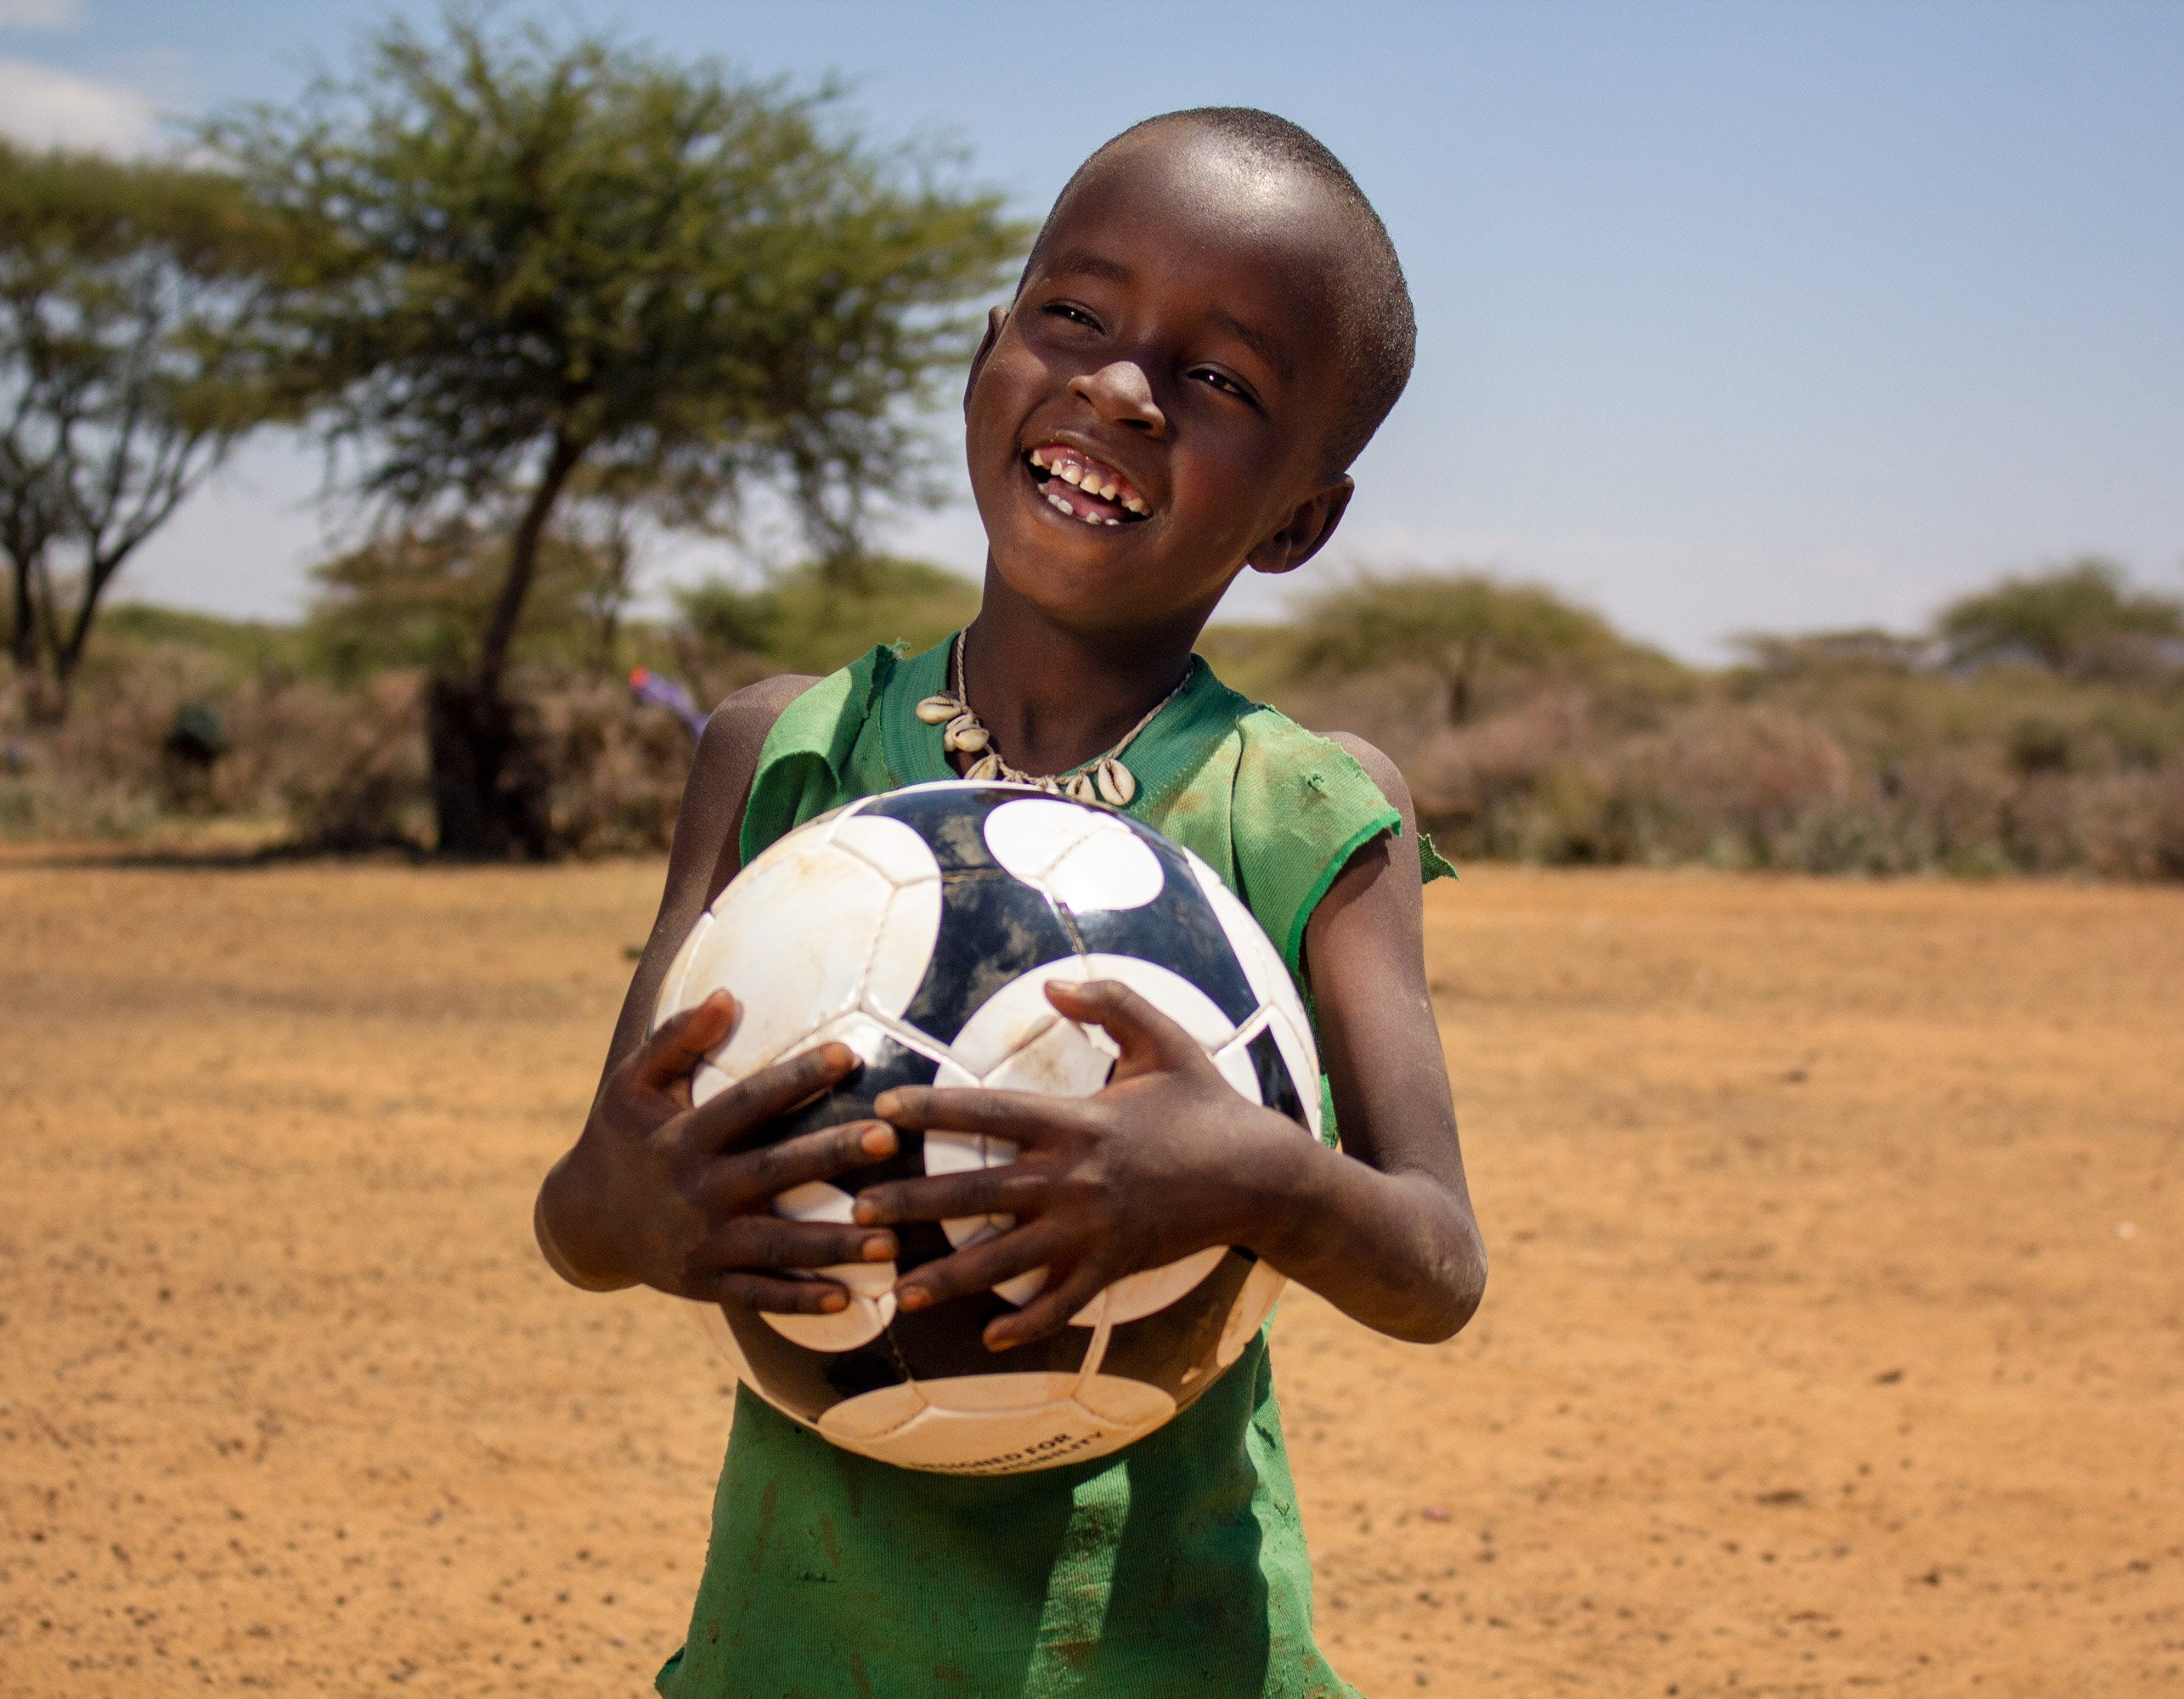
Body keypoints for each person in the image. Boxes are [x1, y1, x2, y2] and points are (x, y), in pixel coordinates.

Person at [534, 106, 1485, 1697]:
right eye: (1077, 316)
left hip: (1167, 1655)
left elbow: (1437, 1262)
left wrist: (1261, 1177)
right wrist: (641, 1217)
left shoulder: (1308, 805)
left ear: (1304, 516)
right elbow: (591, 1207)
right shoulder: (782, 750)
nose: (1120, 388)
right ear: (990, 348)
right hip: (802, 1644)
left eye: (1221, 380)